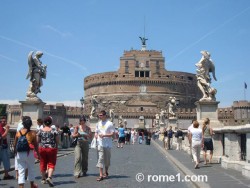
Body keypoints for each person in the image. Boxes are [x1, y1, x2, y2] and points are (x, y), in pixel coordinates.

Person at [14, 116, 39, 188]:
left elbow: (15, 144)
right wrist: (38, 155)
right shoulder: (33, 133)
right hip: (29, 153)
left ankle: (21, 186)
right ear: (30, 125)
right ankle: (32, 185)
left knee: (21, 171)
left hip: (20, 154)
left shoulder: (18, 133)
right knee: (31, 169)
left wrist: (15, 153)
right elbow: (36, 146)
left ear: (23, 124)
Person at [37, 116, 59, 187]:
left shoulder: (40, 130)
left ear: (44, 122)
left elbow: (37, 140)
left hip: (42, 148)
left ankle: (43, 178)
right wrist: (56, 146)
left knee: (42, 163)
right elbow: (57, 140)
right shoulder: (54, 130)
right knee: (51, 163)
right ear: (51, 123)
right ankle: (49, 177)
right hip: (51, 149)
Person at [95, 110, 115, 181]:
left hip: (107, 144)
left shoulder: (110, 124)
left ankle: (106, 171)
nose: (99, 116)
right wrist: (96, 136)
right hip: (100, 143)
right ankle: (101, 175)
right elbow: (96, 132)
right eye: (99, 115)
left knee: (107, 160)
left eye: (101, 115)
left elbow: (112, 134)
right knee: (100, 158)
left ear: (105, 116)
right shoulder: (98, 124)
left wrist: (104, 135)